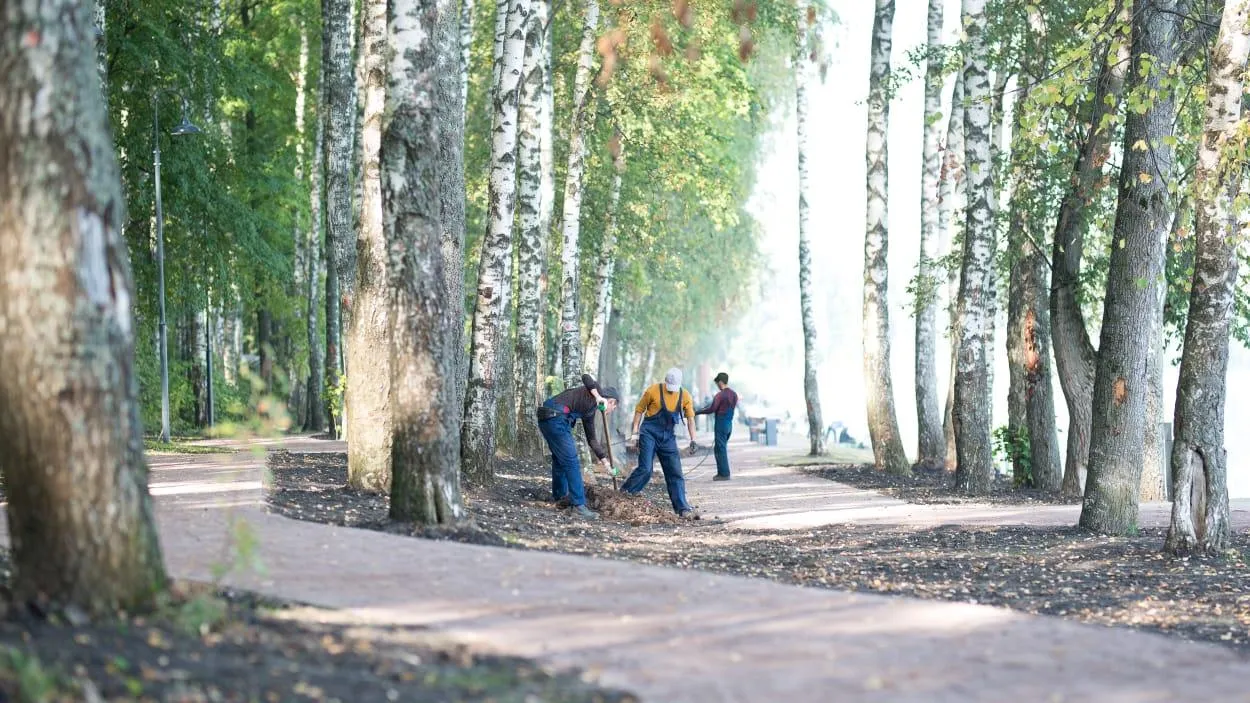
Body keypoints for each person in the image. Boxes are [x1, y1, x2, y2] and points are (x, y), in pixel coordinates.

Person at [536, 374, 621, 520]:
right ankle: (579, 506)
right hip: (555, 418)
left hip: (550, 418)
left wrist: (606, 464)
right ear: (611, 401)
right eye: (614, 408)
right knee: (571, 461)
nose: (611, 411)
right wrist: (598, 396)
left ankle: (560, 497)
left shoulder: (590, 412)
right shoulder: (595, 390)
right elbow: (586, 377)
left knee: (560, 460)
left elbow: (592, 440)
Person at [621, 368, 699, 518]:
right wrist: (635, 433)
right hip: (649, 433)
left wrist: (693, 439)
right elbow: (639, 410)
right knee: (645, 469)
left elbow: (690, 419)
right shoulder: (653, 390)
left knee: (675, 472)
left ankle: (682, 509)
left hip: (668, 437)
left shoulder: (685, 396)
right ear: (665, 381)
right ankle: (624, 494)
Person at [696, 372, 738, 481]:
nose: (717, 386)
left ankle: (724, 474)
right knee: (720, 448)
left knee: (720, 448)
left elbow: (712, 409)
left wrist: (697, 412)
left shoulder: (720, 395)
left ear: (720, 382)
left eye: (717, 383)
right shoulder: (734, 394)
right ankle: (721, 472)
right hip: (729, 424)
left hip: (721, 423)